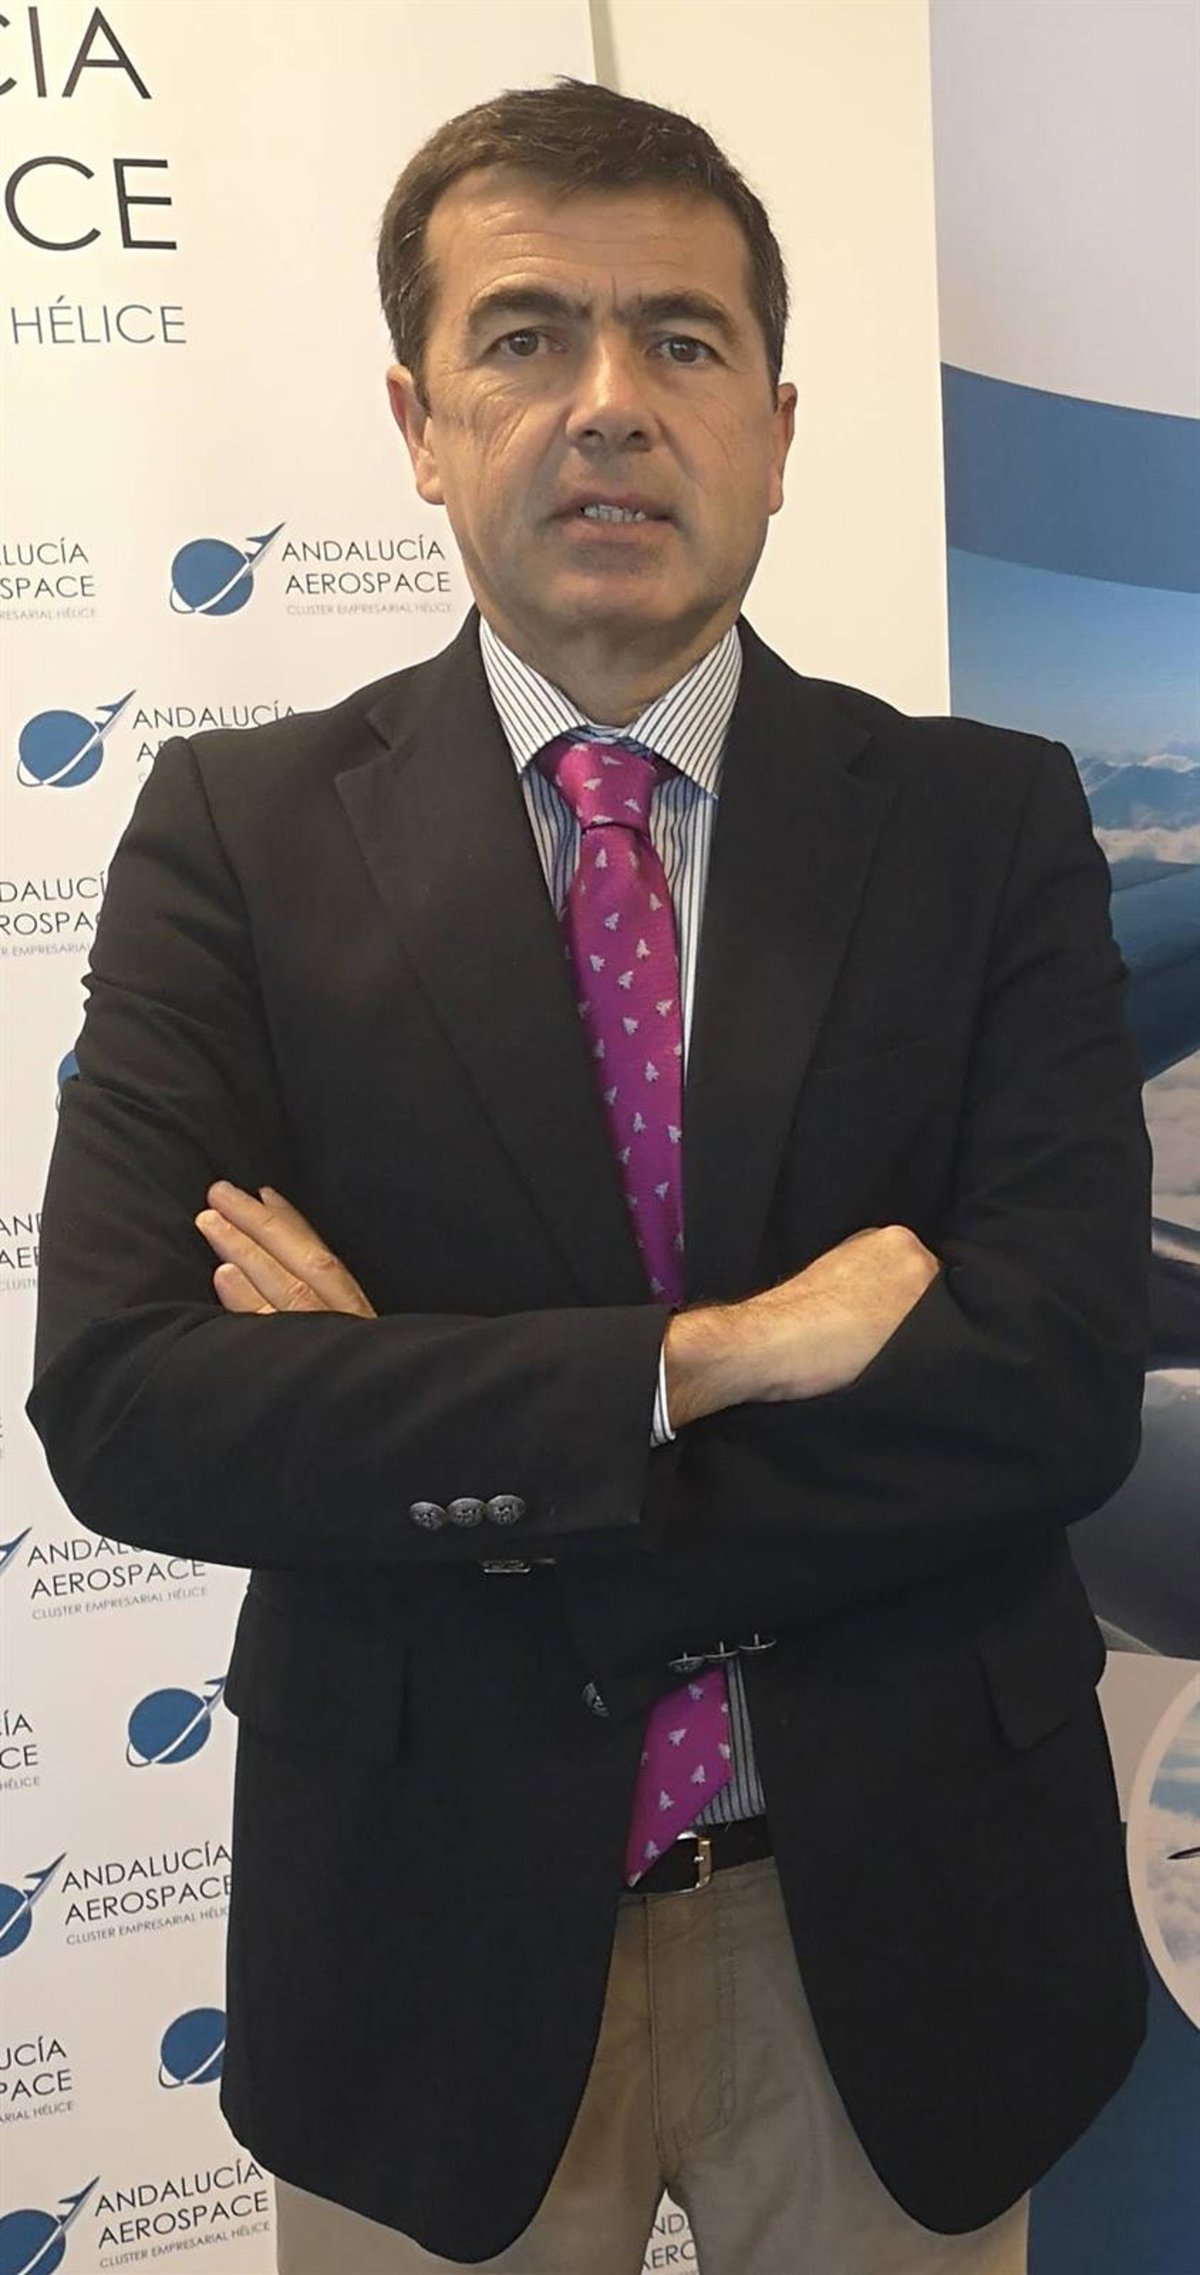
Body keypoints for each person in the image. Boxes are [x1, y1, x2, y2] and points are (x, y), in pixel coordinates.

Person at [28, 76, 1150, 2275]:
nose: (610, 401)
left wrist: (431, 1419)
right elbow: (136, 1404)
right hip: (423, 1941)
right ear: (419, 421)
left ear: (780, 426)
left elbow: (1051, 1390)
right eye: (528, 336)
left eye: (683, 339)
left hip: (903, 1935)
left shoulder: (986, 825)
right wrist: (714, 1359)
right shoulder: (236, 842)